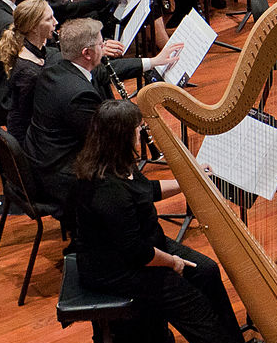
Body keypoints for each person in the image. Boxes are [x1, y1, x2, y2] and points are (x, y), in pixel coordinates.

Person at [67, 100, 277, 343]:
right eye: (137, 129)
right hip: (116, 268)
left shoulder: (118, 164)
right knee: (191, 304)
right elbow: (139, 254)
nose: (141, 133)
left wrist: (192, 177)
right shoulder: (108, 190)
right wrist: (173, 262)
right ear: (121, 136)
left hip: (145, 247)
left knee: (208, 271)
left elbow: (148, 192)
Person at [22, 18, 178, 205]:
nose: (104, 47)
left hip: (43, 157)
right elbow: (105, 146)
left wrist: (152, 62)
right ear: (87, 53)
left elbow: (103, 71)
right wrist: (134, 121)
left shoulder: (56, 68)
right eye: (100, 44)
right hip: (60, 176)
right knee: (122, 180)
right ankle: (172, 191)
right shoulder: (79, 96)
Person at [0, 0, 57, 143]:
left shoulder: (31, 50)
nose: (55, 22)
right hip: (29, 143)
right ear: (33, 27)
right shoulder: (29, 74)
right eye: (49, 19)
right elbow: (30, 118)